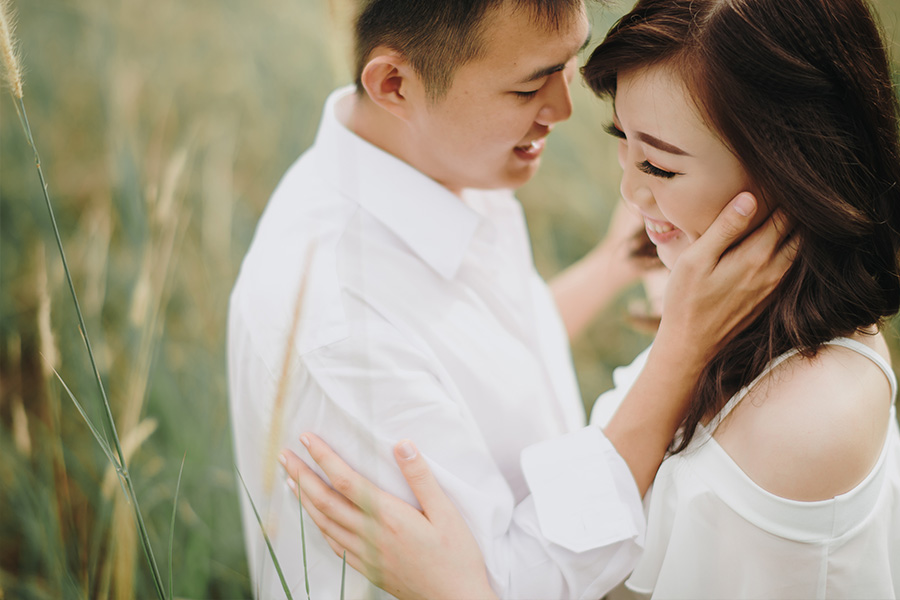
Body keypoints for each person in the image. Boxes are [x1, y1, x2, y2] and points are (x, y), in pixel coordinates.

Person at [281, 0, 900, 598]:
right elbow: (499, 346)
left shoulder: (802, 420)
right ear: (395, 87)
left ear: (790, 169)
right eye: (623, 143)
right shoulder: (718, 310)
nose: (629, 192)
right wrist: (637, 286)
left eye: (658, 165)